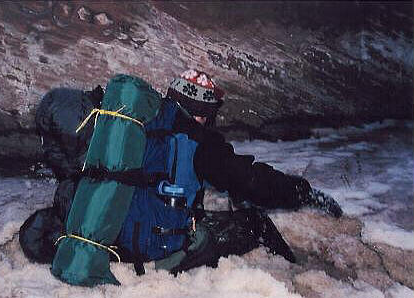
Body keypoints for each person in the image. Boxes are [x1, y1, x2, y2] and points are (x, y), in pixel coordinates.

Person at [20, 70, 342, 281]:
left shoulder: (124, 125)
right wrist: (303, 192)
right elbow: (251, 181)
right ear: (202, 113)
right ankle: (297, 274)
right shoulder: (195, 139)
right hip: (155, 254)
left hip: (108, 241)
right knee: (254, 223)